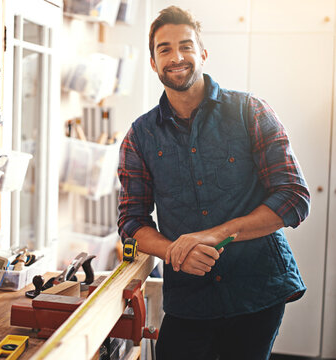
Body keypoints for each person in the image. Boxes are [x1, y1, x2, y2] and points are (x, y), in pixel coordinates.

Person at [117, 6, 310, 360]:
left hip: (257, 290)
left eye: (186, 46)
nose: (176, 57)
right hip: (188, 299)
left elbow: (294, 198)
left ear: (202, 53)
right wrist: (174, 252)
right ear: (153, 63)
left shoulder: (250, 112)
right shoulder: (139, 137)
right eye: (164, 49)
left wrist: (214, 235)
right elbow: (132, 221)